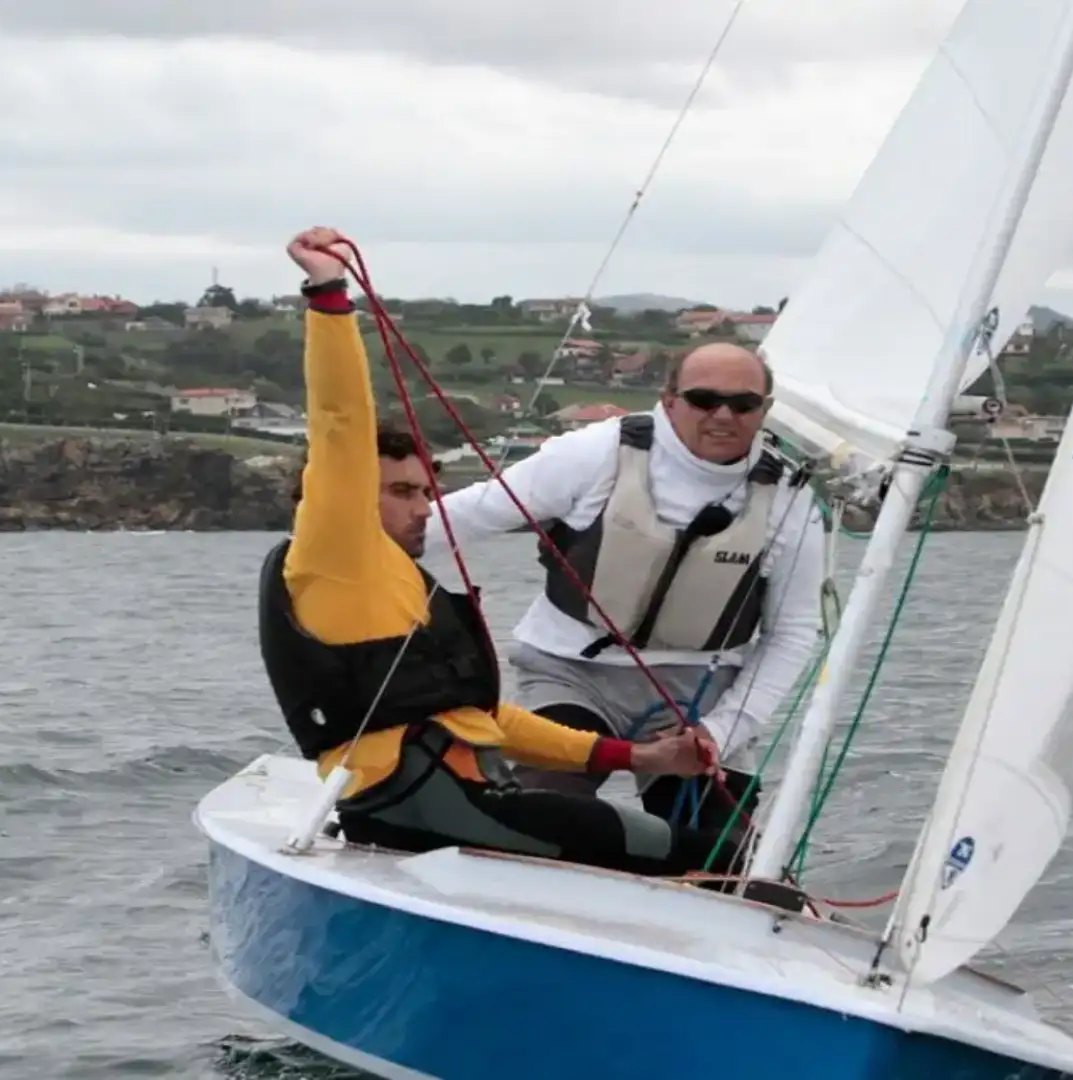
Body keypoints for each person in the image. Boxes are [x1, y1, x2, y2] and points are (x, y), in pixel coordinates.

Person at [258, 225, 743, 878]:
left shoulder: (398, 588)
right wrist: (328, 293)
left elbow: (489, 721)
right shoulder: (333, 555)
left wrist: (638, 758)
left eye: (426, 490)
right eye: (402, 492)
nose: (423, 506)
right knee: (698, 854)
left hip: (465, 801)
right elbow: (341, 422)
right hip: (423, 809)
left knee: (691, 839)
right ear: (345, 499)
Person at [423, 333, 827, 835]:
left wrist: (719, 732)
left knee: (718, 847)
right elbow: (472, 514)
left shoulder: (790, 501)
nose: (723, 416)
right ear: (669, 401)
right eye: (704, 400)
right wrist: (351, 543)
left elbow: (792, 633)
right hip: (572, 673)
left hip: (697, 692)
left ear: (764, 409)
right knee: (540, 813)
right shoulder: (597, 453)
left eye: (742, 404)